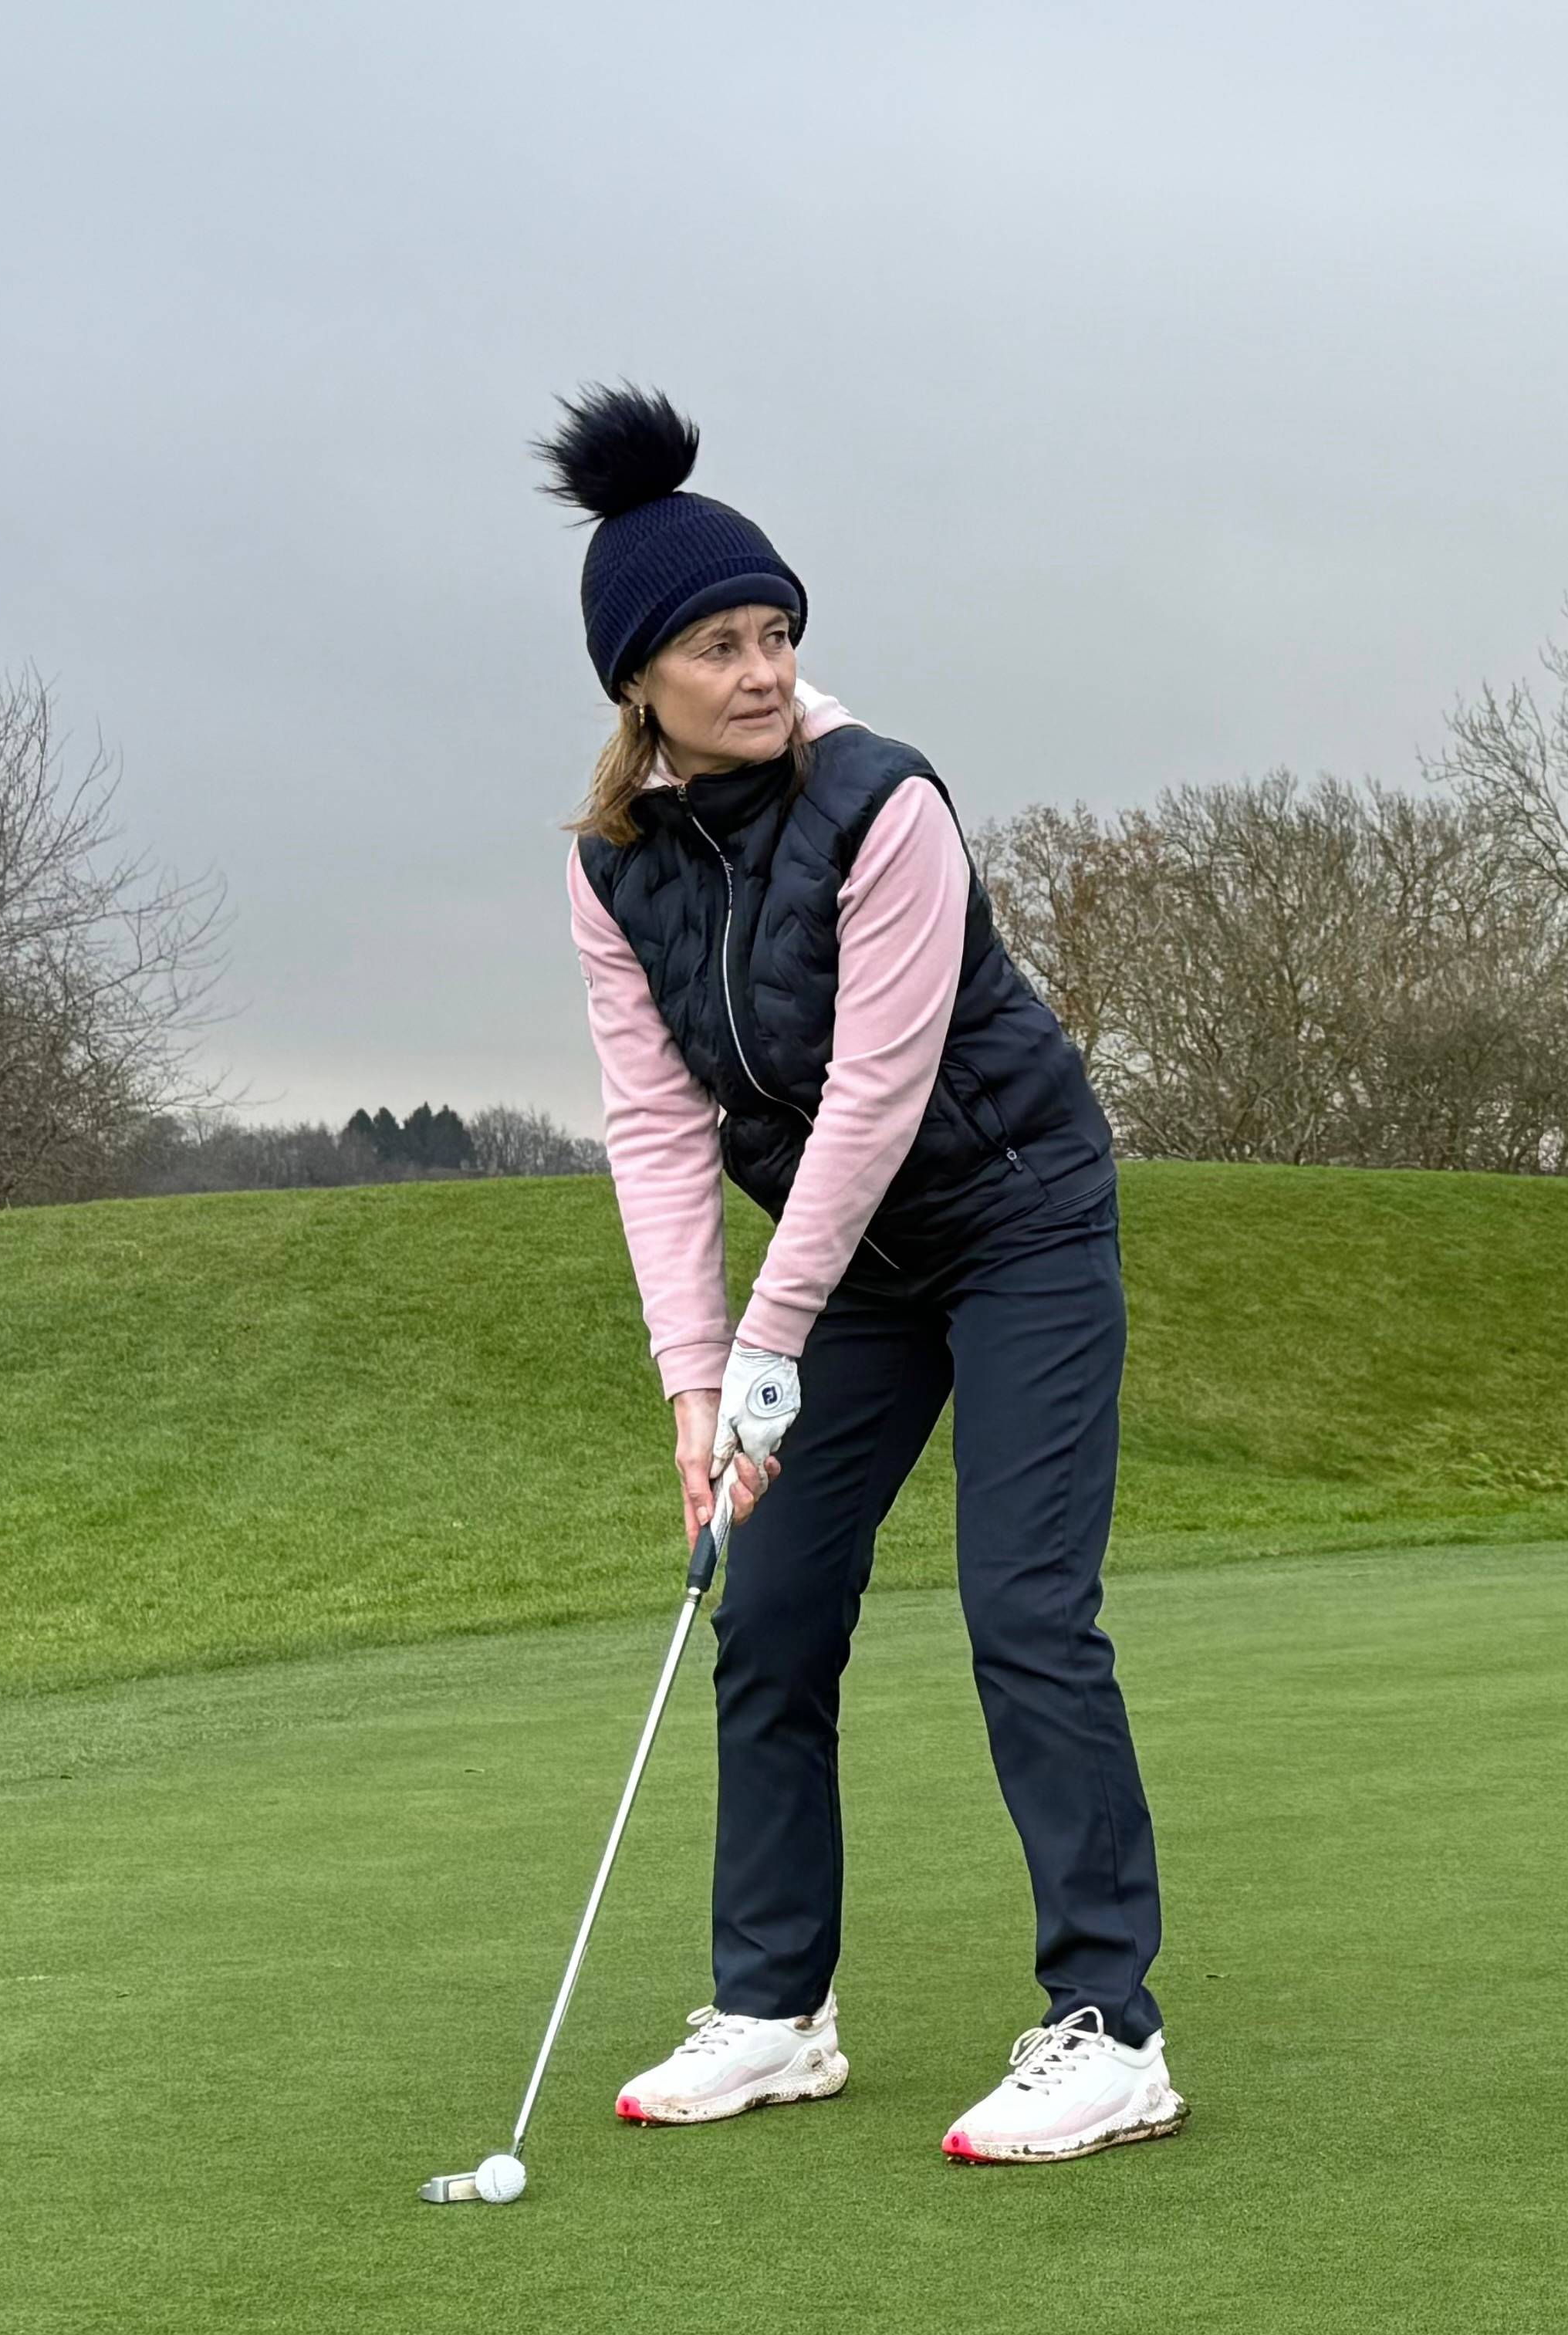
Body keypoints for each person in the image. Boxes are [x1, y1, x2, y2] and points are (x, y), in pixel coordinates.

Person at [534, 384, 1181, 2166]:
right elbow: (659, 1132)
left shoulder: (885, 799)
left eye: (779, 633)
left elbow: (882, 1092)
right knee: (774, 1603)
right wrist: (695, 1386)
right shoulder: (616, 868)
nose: (763, 669)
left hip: (1019, 1216)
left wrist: (769, 1337)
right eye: (718, 644)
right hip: (861, 1269)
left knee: (1024, 1608)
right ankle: (773, 2005)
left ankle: (1112, 2028)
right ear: (638, 680)